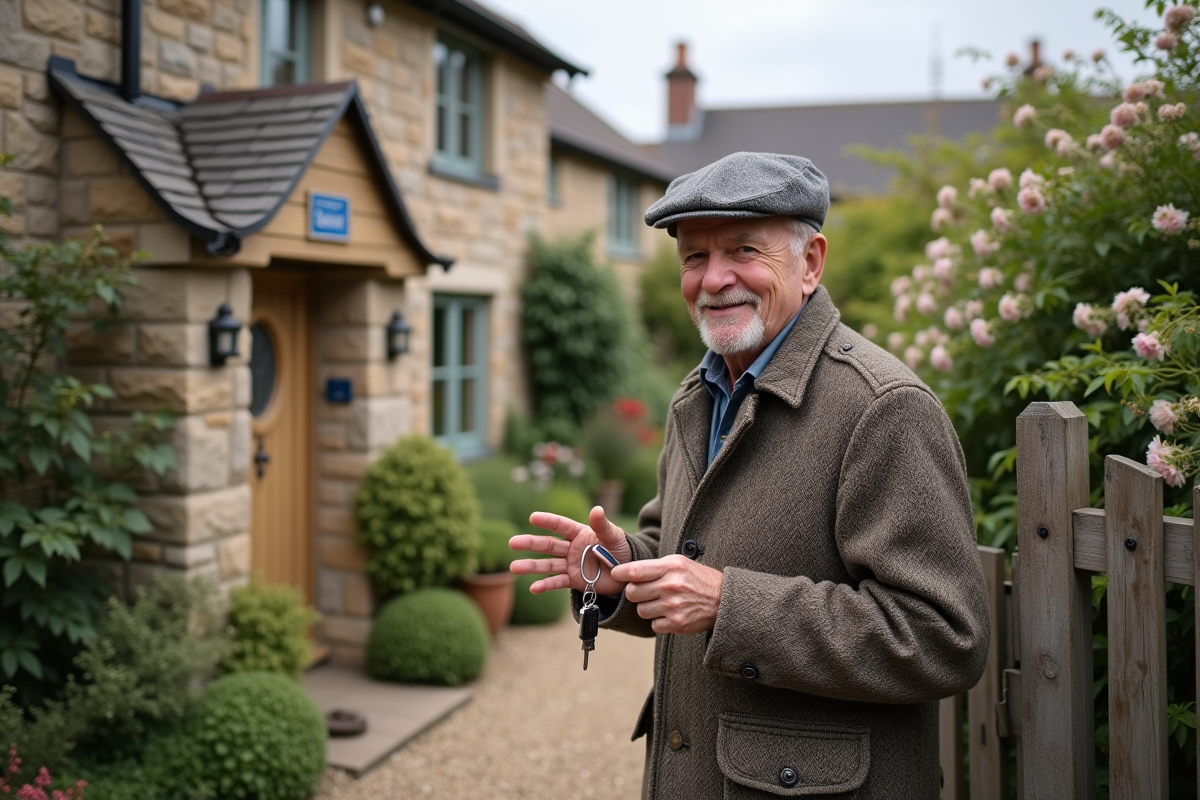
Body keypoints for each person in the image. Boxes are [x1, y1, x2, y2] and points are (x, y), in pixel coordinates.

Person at [510, 151, 990, 799]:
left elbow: (944, 637)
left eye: (742, 249)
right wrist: (622, 568)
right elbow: (685, 554)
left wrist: (727, 604)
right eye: (693, 258)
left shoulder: (883, 408)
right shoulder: (699, 393)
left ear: (810, 263)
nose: (713, 279)